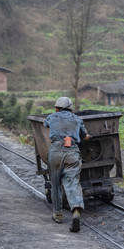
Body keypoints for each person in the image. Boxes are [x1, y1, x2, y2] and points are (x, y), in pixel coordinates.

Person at [43, 97, 90, 232]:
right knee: (72, 182)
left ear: (57, 108)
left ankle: (57, 214)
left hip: (56, 152)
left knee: (55, 183)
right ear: (70, 108)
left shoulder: (52, 117)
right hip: (72, 152)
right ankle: (75, 209)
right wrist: (87, 137)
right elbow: (84, 135)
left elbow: (45, 125)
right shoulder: (77, 119)